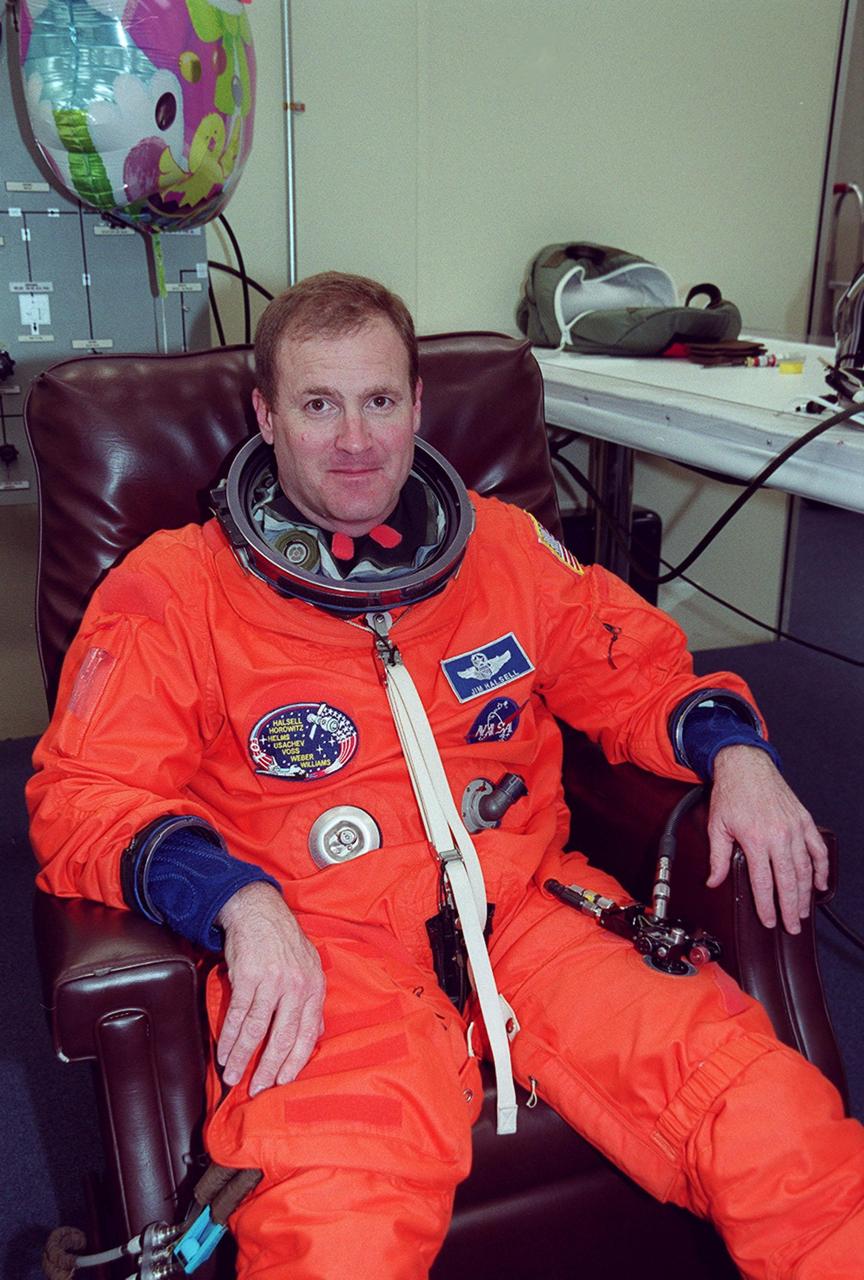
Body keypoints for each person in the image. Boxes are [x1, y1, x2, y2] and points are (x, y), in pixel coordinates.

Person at [28, 272, 863, 1279]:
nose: (354, 440)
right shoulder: (171, 592)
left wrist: (737, 751)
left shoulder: (504, 549)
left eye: (380, 400)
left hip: (534, 912)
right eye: (317, 403)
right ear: (265, 413)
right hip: (327, 954)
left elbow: (637, 666)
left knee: (775, 1122)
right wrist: (238, 900)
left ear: (418, 406)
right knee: (337, 1235)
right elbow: (85, 794)